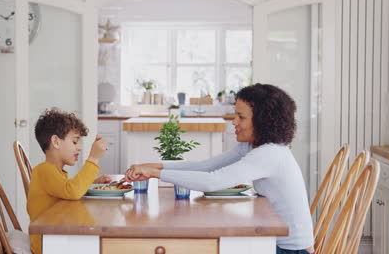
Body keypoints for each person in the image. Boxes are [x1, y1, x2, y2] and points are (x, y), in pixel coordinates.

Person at [125, 84, 315, 254]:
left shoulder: (269, 154)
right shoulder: (253, 146)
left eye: (241, 116)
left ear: (263, 121)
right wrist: (154, 166)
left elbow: (212, 181)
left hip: (290, 249)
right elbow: (205, 167)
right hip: (273, 240)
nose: (234, 122)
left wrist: (156, 174)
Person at [27, 108, 110, 254]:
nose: (79, 147)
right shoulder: (45, 170)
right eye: (74, 142)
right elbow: (72, 191)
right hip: (47, 243)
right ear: (56, 142)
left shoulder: (54, 171)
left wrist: (93, 182)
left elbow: (67, 190)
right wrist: (94, 158)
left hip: (55, 237)